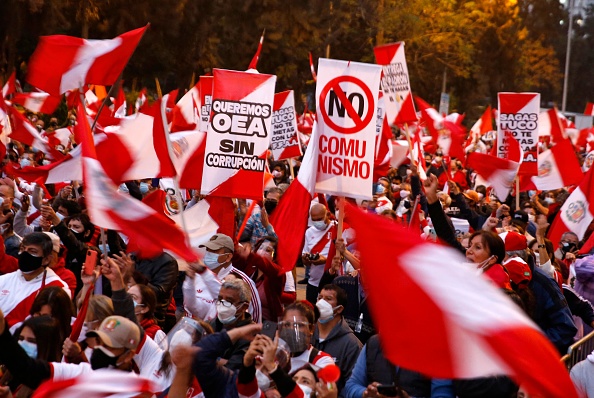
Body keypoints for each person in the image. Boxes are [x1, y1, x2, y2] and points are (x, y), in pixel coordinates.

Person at [183, 233, 262, 324]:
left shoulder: (244, 281)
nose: (208, 254)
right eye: (208, 250)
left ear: (228, 257)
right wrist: (189, 280)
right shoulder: (197, 276)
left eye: (214, 251)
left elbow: (255, 316)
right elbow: (191, 307)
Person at [344, 335, 454, 398]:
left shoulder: (438, 352)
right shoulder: (374, 344)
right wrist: (366, 393)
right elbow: (350, 386)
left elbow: (443, 395)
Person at [0, 232, 70, 329]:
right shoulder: (3, 280)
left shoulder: (57, 288)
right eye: (22, 249)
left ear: (46, 259)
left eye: (32, 251)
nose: (25, 254)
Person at [313, 284, 362, 392]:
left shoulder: (351, 345)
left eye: (328, 299)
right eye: (320, 298)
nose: (321, 303)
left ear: (339, 309)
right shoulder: (308, 334)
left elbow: (352, 384)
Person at [233, 236, 287, 322]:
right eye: (260, 248)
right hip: (244, 318)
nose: (262, 252)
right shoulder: (250, 268)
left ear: (275, 256)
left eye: (268, 250)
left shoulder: (278, 273)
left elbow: (265, 264)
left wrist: (250, 255)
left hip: (266, 323)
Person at [210, 278, 255, 371]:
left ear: (244, 307)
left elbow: (234, 367)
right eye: (220, 299)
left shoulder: (251, 335)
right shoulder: (211, 325)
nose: (222, 304)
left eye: (229, 301)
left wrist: (209, 359)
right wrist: (220, 361)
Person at [279, 301, 335, 373]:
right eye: (287, 325)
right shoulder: (274, 358)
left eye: (299, 325)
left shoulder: (322, 361)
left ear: (311, 329)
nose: (292, 330)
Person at [302, 204, 336, 305]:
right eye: (314, 220)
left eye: (320, 219)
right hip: (313, 283)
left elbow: (344, 254)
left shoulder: (337, 228)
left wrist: (325, 260)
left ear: (328, 215)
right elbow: (305, 261)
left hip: (332, 284)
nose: (317, 222)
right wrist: (306, 259)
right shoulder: (309, 232)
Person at [128, 283, 167, 350]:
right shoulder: (118, 325)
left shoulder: (156, 334)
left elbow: (161, 359)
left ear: (144, 308)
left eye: (133, 297)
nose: (127, 300)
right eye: (126, 296)